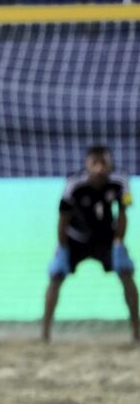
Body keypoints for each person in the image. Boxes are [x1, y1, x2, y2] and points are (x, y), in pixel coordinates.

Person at [42, 145, 139, 342]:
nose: (99, 168)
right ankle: (45, 334)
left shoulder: (120, 181)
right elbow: (63, 218)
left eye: (104, 163)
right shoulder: (73, 184)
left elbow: (122, 216)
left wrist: (118, 244)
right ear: (87, 165)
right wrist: (62, 249)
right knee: (56, 277)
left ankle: (137, 331)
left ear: (110, 164)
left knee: (127, 274)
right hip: (75, 239)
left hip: (107, 239)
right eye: (95, 163)